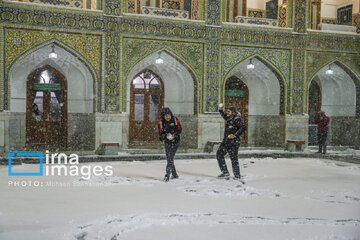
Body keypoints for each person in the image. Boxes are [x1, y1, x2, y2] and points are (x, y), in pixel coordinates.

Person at [217, 104, 246, 180]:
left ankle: (237, 176)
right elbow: (225, 116)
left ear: (233, 112)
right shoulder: (230, 117)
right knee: (219, 154)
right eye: (227, 111)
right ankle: (225, 172)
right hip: (226, 141)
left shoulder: (237, 118)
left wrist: (235, 135)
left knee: (234, 159)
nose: (227, 113)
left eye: (229, 111)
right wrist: (220, 110)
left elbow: (243, 127)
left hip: (233, 142)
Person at [158, 107, 182, 182]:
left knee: (170, 157)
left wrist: (174, 135)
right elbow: (160, 135)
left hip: (175, 142)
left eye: (168, 115)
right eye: (166, 116)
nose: (167, 117)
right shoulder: (161, 123)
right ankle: (174, 174)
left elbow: (180, 129)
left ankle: (167, 174)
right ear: (163, 116)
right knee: (169, 158)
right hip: (167, 143)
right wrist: (166, 136)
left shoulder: (175, 120)